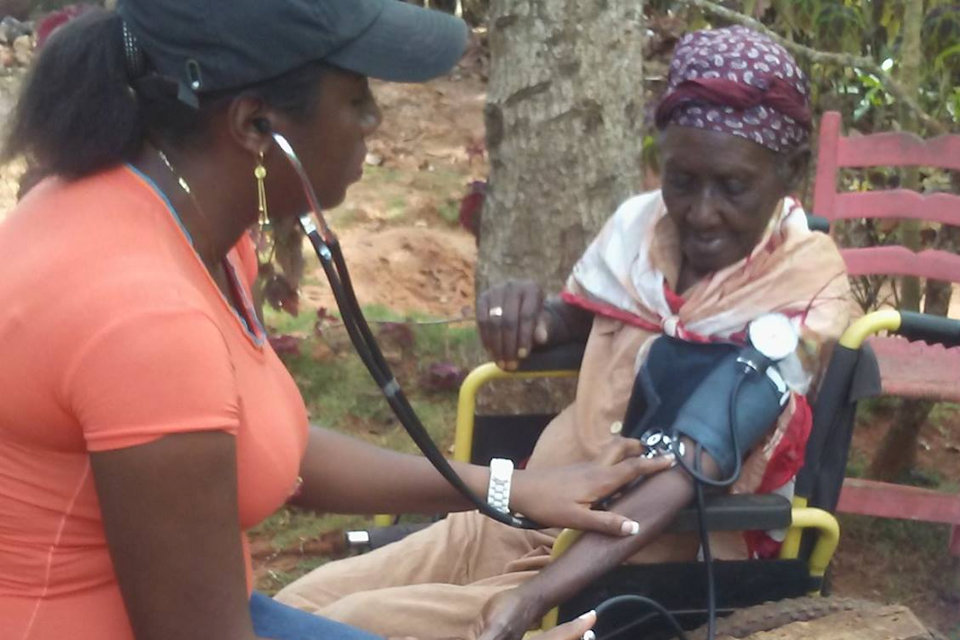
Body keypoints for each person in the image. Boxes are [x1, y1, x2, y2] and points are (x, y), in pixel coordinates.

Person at [0, 3, 678, 640]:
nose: (373, 121)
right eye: (356, 98)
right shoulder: (147, 322)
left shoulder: (171, 212)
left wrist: (511, 488)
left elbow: (252, 443)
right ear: (255, 126)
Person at [273, 25, 853, 640]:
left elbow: (690, 468)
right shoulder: (639, 227)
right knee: (296, 604)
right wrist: (526, 314)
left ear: (790, 170)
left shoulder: (804, 286)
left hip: (641, 559)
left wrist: (532, 598)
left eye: (733, 187)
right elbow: (577, 318)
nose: (701, 213)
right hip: (530, 509)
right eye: (682, 181)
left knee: (349, 627)